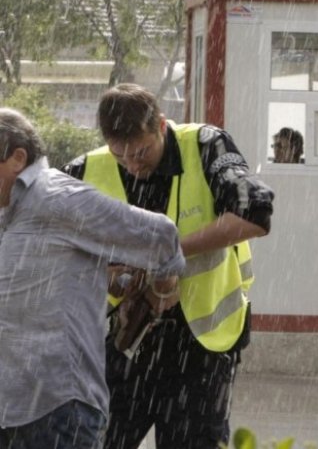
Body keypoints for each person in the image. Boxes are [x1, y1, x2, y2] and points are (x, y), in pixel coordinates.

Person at [62, 83, 274, 449]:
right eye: (120, 155)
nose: (133, 164)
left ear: (161, 124)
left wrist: (169, 252)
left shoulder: (207, 145)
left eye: (141, 151)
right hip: (122, 344)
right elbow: (50, 251)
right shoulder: (84, 170)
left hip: (202, 349)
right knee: (94, 442)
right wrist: (108, 274)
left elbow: (255, 215)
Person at [0, 107, 185, 449]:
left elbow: (160, 236)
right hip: (9, 407)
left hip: (57, 412)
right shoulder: (8, 209)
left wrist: (160, 291)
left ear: (17, 158)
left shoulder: (59, 198)